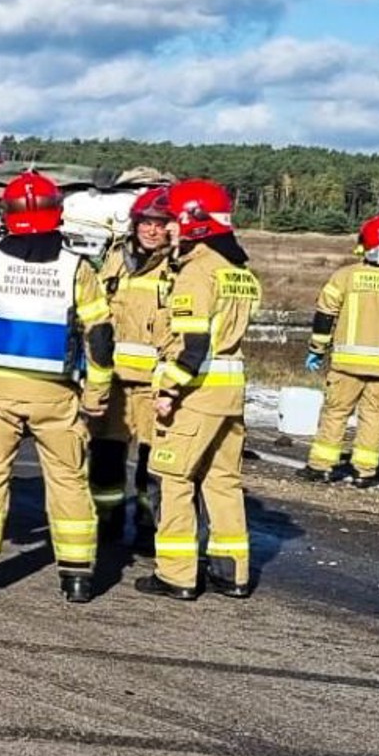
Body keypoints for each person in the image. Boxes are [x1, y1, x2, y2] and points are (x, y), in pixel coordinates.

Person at [0, 172, 115, 603]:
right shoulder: (77, 268)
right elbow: (100, 337)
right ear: (56, 214)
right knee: (69, 482)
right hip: (57, 396)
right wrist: (98, 394)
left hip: (0, 391)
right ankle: (77, 575)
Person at [138, 179, 261, 602]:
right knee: (223, 482)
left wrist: (170, 389)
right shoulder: (239, 271)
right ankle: (233, 573)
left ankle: (177, 575)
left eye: (172, 220)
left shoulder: (198, 272)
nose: (167, 228)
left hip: (196, 395)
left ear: (195, 222)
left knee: (173, 479)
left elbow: (194, 347)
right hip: (230, 395)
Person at [301, 216, 379, 489]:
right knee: (374, 417)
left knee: (335, 413)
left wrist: (316, 350)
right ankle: (365, 472)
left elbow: (324, 316)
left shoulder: (345, 276)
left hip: (346, 365)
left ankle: (321, 467)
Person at [89, 186, 172, 554]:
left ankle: (147, 528)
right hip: (116, 380)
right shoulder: (115, 260)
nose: (152, 231)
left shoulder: (178, 267)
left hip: (156, 384)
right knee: (106, 456)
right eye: (146, 223)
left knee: (153, 463)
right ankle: (105, 522)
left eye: (160, 224)